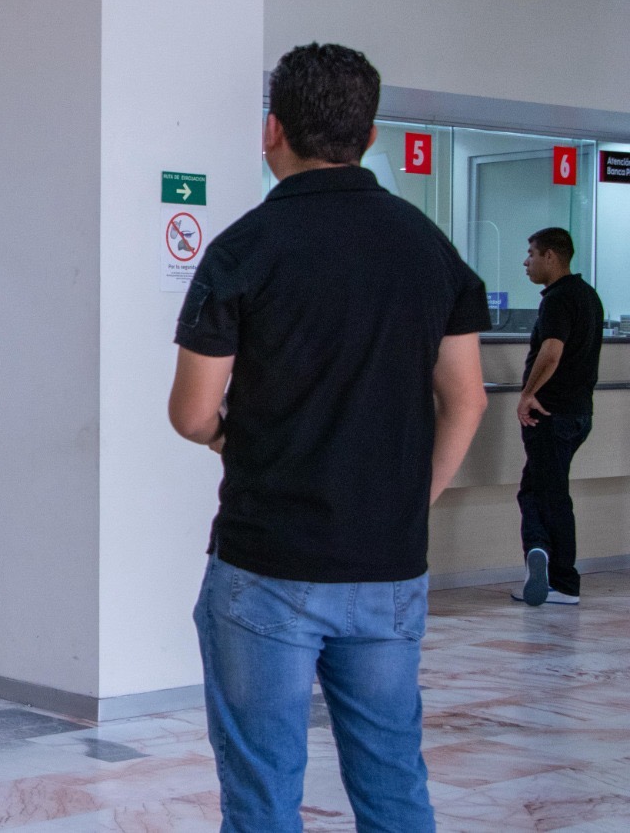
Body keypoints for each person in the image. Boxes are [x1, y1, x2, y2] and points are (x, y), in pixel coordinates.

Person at [168, 43, 490, 832]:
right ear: (370, 136)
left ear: (271, 130)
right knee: (393, 784)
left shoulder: (243, 249)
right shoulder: (430, 248)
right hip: (389, 565)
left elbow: (192, 412)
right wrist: (412, 499)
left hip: (267, 563)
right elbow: (468, 400)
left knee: (263, 793)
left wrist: (229, 441)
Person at [513, 227, 602, 607]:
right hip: (579, 412)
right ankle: (540, 555)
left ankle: (563, 581)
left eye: (532, 253)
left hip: (550, 414)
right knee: (537, 489)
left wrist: (528, 394)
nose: (526, 262)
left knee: (550, 496)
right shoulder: (587, 295)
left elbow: (551, 352)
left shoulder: (558, 299)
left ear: (551, 256)